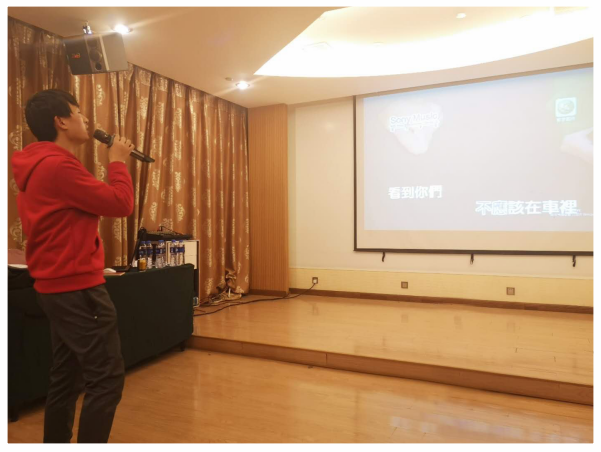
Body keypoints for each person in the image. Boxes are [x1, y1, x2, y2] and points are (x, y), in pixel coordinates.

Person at [11, 89, 135, 443]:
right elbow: (121, 203)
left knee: (66, 377)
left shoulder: (38, 164)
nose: (85, 119)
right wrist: (117, 162)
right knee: (107, 378)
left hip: (55, 286)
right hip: (77, 288)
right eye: (78, 113)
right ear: (61, 122)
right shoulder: (58, 166)